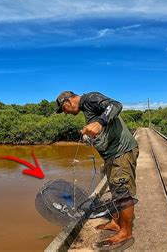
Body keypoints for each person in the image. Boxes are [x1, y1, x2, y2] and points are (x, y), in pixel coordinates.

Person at [56, 91, 139, 247]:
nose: (65, 113)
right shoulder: (87, 109)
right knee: (115, 190)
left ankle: (126, 232)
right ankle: (117, 222)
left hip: (121, 152)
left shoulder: (89, 99)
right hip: (112, 156)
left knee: (123, 193)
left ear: (68, 100)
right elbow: (102, 132)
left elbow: (115, 105)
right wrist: (89, 134)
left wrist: (100, 122)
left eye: (64, 109)